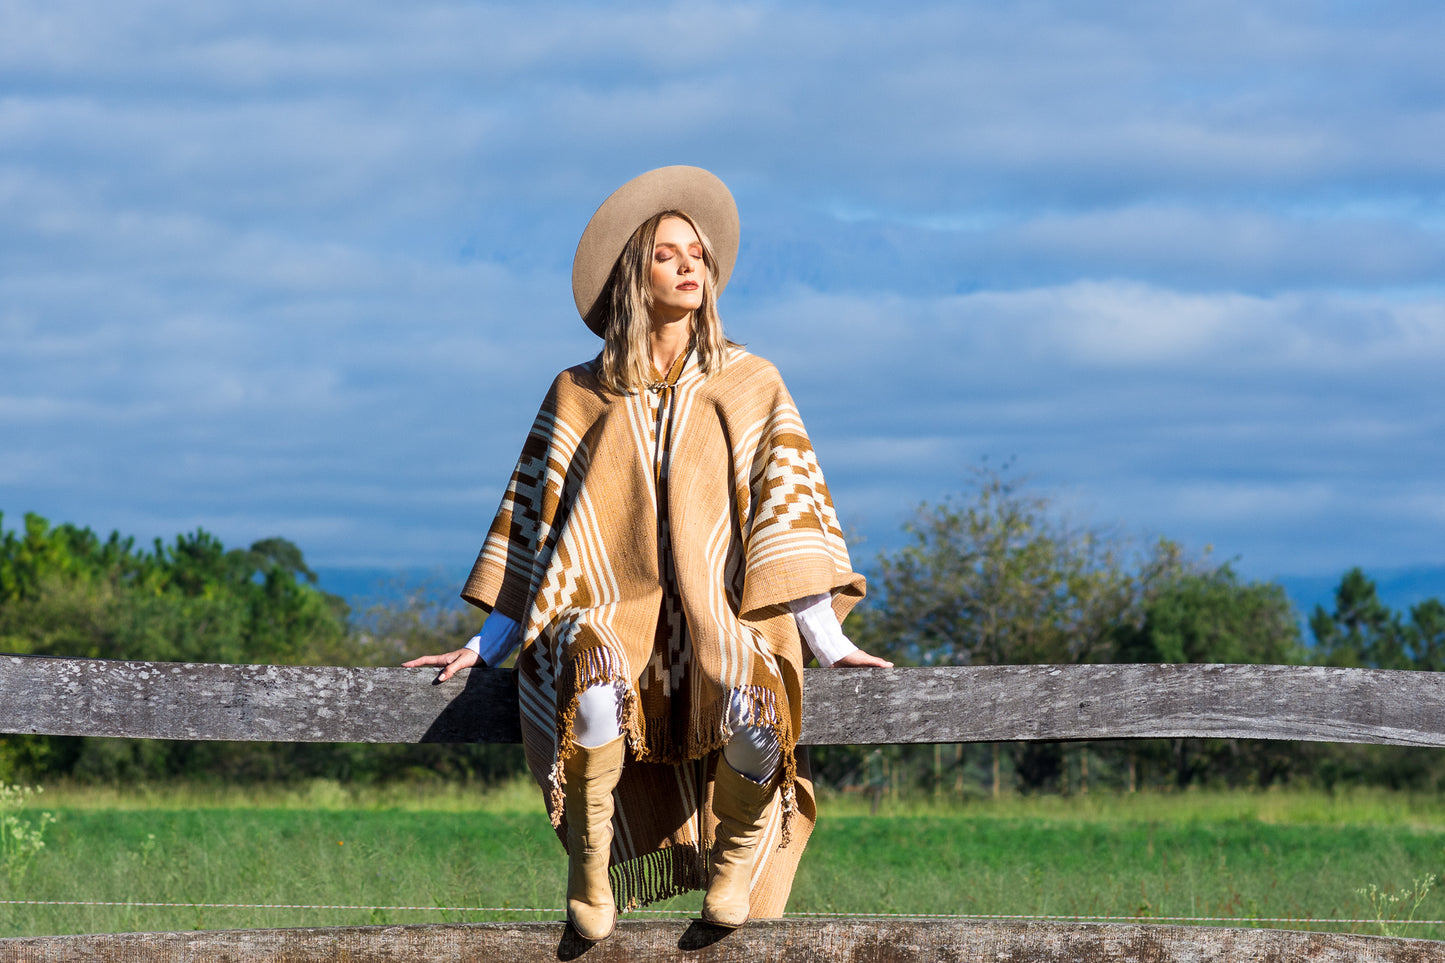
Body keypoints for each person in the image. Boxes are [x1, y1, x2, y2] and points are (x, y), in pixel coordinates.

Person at [404, 165, 890, 940]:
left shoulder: (751, 382)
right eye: (668, 254)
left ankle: (733, 862)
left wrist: (830, 643)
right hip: (600, 613)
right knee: (593, 690)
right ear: (636, 271)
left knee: (755, 706)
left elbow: (786, 519)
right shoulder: (578, 390)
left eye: (697, 253)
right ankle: (589, 863)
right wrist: (481, 645)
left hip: (720, 614)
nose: (690, 265)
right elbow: (535, 535)